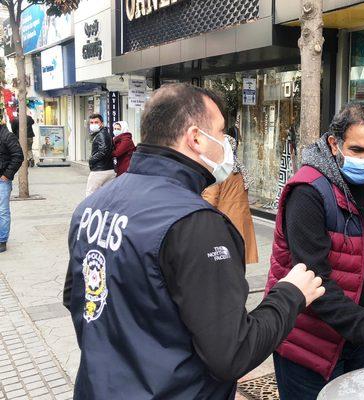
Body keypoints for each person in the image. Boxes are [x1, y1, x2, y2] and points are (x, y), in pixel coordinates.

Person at [63, 83, 325, 399]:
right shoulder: (195, 224)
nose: (227, 144)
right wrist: (290, 294)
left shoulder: (92, 206)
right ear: (197, 138)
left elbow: (78, 298)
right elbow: (231, 352)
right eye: (221, 132)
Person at [266, 103, 364, 400]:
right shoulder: (308, 191)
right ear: (334, 143)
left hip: (358, 335)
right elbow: (313, 279)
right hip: (311, 344)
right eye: (357, 150)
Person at [202, 131, 258, 264]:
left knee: (224, 264)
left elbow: (209, 201)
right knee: (237, 263)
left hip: (225, 224)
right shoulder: (239, 169)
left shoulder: (219, 171)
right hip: (240, 221)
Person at [0, 123, 23, 253]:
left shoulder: (7, 136)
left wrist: (7, 175)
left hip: (2, 180)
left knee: (2, 211)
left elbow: (18, 156)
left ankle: (2, 240)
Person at [85, 114, 115, 197]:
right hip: (108, 169)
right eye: (91, 122)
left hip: (100, 170)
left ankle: (89, 209)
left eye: (96, 122)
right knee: (107, 195)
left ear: (101, 123)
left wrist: (92, 159)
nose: (93, 124)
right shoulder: (102, 133)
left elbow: (103, 150)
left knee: (90, 195)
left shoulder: (101, 134)